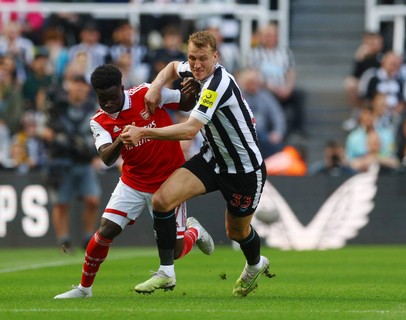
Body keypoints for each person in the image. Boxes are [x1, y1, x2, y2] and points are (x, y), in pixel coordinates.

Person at [121, 31, 274, 297]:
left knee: (236, 231)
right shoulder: (193, 69)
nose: (196, 65)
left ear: (215, 57)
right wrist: (156, 86)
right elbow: (170, 68)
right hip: (212, 158)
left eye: (202, 59)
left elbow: (190, 129)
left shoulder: (218, 84)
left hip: (244, 170)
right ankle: (166, 273)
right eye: (192, 58)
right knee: (161, 201)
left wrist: (142, 132)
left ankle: (255, 264)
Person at [54, 64, 214, 299]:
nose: (107, 104)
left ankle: (194, 232)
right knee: (106, 229)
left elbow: (185, 103)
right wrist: (121, 139)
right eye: (101, 99)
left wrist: (189, 90)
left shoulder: (146, 93)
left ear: (122, 88)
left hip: (169, 181)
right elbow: (107, 158)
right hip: (133, 182)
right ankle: (84, 288)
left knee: (176, 251)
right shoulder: (98, 121)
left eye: (111, 97)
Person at [41, 74, 102, 252]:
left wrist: (96, 153)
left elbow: (100, 131)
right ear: (69, 87)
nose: (79, 89)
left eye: (83, 86)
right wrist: (48, 134)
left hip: (84, 160)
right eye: (76, 85)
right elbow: (45, 129)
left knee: (93, 200)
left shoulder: (93, 108)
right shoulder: (57, 107)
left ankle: (88, 237)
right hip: (61, 160)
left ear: (87, 89)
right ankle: (64, 241)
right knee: (61, 203)